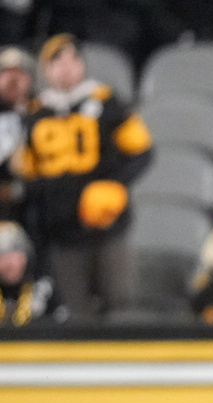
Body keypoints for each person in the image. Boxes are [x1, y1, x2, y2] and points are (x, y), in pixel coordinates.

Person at [14, 34, 153, 321]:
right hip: (61, 230)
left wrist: (114, 183)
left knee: (121, 301)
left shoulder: (108, 103)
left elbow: (142, 152)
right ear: (46, 70)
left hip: (106, 223)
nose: (66, 67)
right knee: (74, 311)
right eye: (57, 61)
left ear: (82, 64)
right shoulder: (35, 114)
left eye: (73, 59)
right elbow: (27, 173)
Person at [0, 219, 65, 325]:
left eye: (16, 254)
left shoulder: (43, 288)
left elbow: (63, 320)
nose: (10, 263)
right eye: (3, 256)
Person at [0, 46, 33, 225]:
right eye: (6, 72)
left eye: (20, 73)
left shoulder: (42, 115)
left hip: (28, 210)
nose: (13, 79)